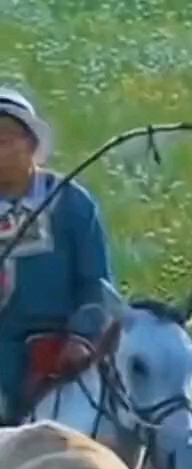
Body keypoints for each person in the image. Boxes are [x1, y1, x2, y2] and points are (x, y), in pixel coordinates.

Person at [0, 86, 114, 424]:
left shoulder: (71, 203)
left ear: (32, 145)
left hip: (60, 349)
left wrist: (81, 337)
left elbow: (96, 282)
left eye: (6, 140)